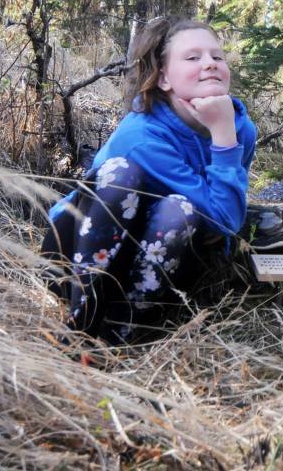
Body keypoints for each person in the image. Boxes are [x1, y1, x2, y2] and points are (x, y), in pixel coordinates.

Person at [41, 17, 257, 343]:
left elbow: (225, 221)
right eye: (193, 57)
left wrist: (223, 133)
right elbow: (223, 216)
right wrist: (224, 137)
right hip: (76, 256)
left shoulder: (236, 127)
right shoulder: (142, 135)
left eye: (217, 56)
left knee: (179, 210)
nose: (210, 64)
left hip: (154, 264)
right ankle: (80, 327)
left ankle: (118, 335)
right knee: (121, 173)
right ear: (163, 77)